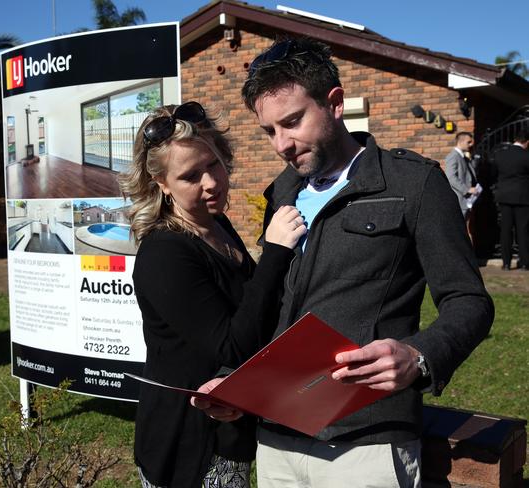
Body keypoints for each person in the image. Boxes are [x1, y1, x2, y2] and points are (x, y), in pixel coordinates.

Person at [194, 38, 494, 487]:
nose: (281, 145)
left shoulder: (413, 183)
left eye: (292, 122)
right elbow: (270, 304)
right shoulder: (282, 192)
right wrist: (231, 379)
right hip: (276, 437)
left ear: (334, 104)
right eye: (269, 131)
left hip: (365, 440)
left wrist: (418, 355)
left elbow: (469, 300)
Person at [119, 101, 307, 488]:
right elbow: (233, 346)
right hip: (188, 447)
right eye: (190, 176)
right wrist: (275, 252)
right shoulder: (166, 252)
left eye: (213, 165)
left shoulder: (216, 224)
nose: (210, 182)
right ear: (162, 185)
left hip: (230, 431)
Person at [490, 129, 529, 270]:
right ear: (526, 142)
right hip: (523, 197)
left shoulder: (500, 154)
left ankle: (506, 263)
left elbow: (493, 174)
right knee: (522, 231)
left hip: (504, 196)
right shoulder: (526, 155)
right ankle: (524, 262)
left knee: (505, 230)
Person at [445, 131, 480, 219]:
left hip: (466, 200)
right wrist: (467, 189)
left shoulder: (463, 156)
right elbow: (451, 177)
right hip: (459, 198)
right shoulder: (453, 156)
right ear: (460, 142)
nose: (471, 144)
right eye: (468, 142)